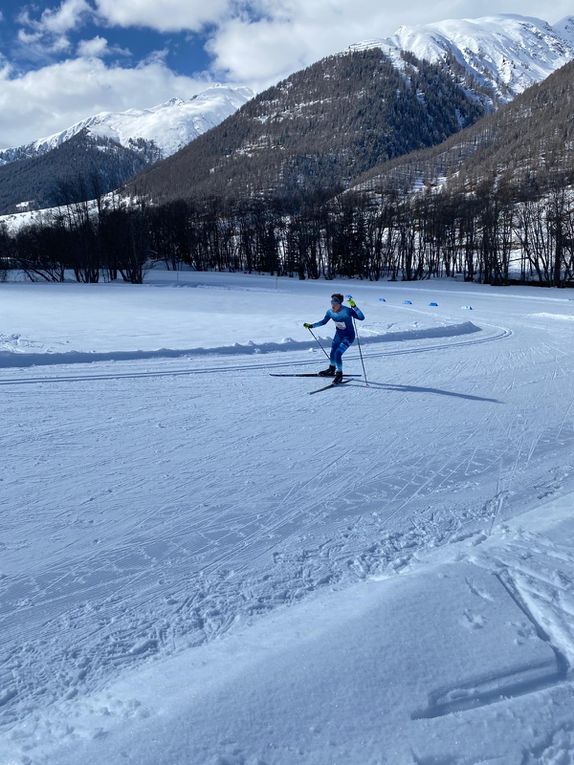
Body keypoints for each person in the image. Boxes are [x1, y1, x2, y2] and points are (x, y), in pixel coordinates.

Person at [304, 293, 365, 383]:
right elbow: (323, 322)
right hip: (338, 335)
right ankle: (331, 369)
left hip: (349, 336)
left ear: (340, 303)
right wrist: (312, 326)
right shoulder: (330, 312)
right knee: (333, 352)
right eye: (332, 301)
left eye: (335, 301)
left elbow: (361, 317)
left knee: (338, 354)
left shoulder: (347, 311)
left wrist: (354, 306)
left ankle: (339, 374)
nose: (333, 303)